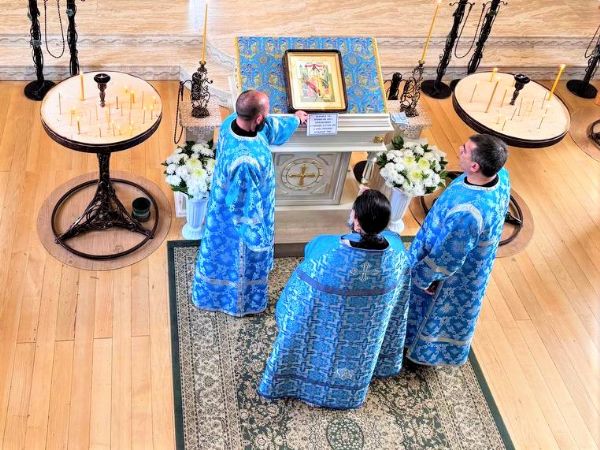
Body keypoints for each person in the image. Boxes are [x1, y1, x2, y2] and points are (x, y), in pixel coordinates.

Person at [258, 190, 411, 409]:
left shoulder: (325, 251)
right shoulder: (398, 253)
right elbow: (400, 299)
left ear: (356, 219)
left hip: (328, 324)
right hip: (366, 332)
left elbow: (297, 295)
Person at [192, 90, 308, 316]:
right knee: (239, 259)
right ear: (258, 118)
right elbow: (244, 207)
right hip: (237, 223)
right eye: (266, 113)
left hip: (220, 207)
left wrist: (295, 119)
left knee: (219, 254)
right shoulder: (245, 161)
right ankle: (236, 302)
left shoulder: (230, 122)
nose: (268, 117)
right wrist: (260, 240)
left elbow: (269, 128)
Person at [405, 133, 510, 366]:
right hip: (474, 258)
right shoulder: (501, 175)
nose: (459, 150)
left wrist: (425, 278)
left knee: (429, 306)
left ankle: (417, 346)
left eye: (464, 149)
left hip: (451, 274)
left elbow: (447, 257)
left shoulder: (468, 212)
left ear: (474, 166)